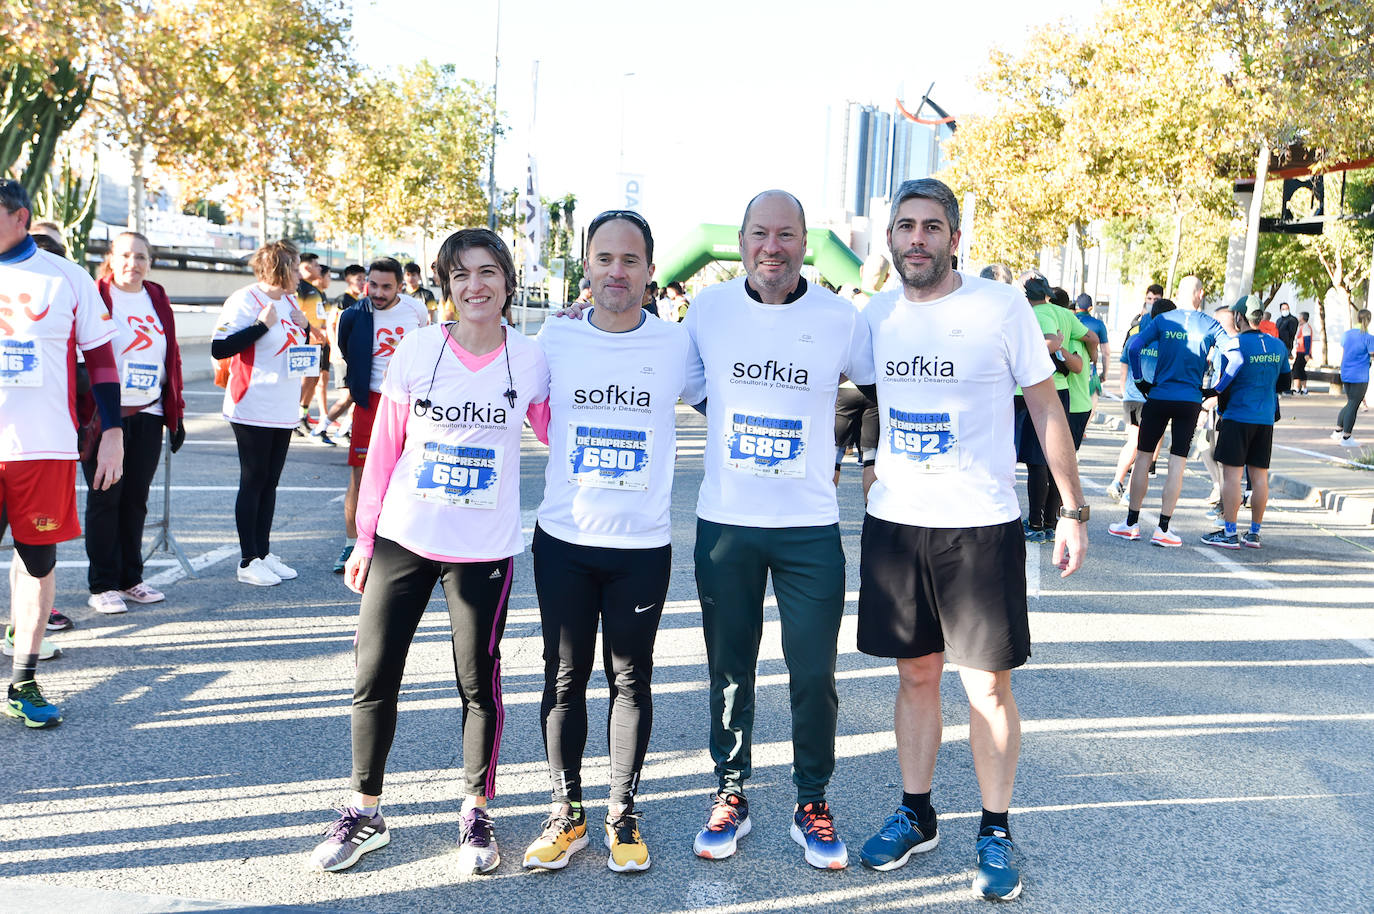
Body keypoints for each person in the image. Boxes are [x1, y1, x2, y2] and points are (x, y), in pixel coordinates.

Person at [855, 179, 1087, 903]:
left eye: (930, 227)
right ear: (889, 239)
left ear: (955, 238)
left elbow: (1045, 404)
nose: (916, 239)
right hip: (897, 525)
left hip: (979, 525)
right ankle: (916, 812)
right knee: (915, 676)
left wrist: (1074, 509)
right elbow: (856, 399)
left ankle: (994, 828)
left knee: (986, 684)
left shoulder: (998, 307)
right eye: (904, 227)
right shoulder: (875, 317)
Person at [307, 229, 549, 875]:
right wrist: (363, 538)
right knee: (374, 675)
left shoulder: (530, 359)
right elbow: (383, 450)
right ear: (445, 284)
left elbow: (557, 432)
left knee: (478, 684)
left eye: (489, 271)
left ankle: (475, 810)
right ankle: (364, 810)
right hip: (404, 540)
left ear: (507, 281)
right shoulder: (417, 350)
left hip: (483, 552)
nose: (476, 285)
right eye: (462, 273)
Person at [682, 190, 874, 870]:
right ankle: (731, 791)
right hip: (728, 523)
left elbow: (877, 390)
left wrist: (867, 461)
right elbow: (693, 383)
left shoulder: (839, 317)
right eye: (760, 233)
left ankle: (812, 800)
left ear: (804, 243)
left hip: (808, 528)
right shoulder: (707, 310)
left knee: (814, 672)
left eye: (786, 234)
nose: (773, 246)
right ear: (740, 241)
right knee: (730, 669)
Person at [522, 211, 689, 874]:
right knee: (563, 679)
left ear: (650, 271)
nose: (616, 272)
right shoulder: (554, 340)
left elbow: (738, 393)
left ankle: (622, 812)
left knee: (630, 679)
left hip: (642, 547)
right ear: (585, 265)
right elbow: (509, 406)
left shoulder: (679, 344)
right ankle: (567, 814)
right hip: (563, 539)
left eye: (630, 260)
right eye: (604, 258)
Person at [0, 178, 124, 728]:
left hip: (43, 446)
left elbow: (100, 360)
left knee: (35, 563)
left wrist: (114, 431)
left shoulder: (68, 278)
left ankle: (23, 680)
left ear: (20, 217)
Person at [81, 232, 186, 614]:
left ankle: (130, 578)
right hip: (106, 415)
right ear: (111, 257)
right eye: (125, 255)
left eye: (141, 256)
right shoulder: (94, 294)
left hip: (150, 411)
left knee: (136, 499)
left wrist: (177, 412)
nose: (133, 263)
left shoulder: (156, 297)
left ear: (150, 262)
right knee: (106, 496)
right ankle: (102, 583)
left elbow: (169, 354)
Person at [211, 239, 313, 586]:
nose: (301, 274)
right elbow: (220, 346)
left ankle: (264, 552)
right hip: (252, 404)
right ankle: (247, 559)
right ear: (281, 268)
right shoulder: (245, 300)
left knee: (270, 482)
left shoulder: (288, 299)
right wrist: (260, 326)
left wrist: (306, 326)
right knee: (252, 481)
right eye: (296, 266)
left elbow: (296, 346)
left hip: (283, 406)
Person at [1109, 275, 1226, 546]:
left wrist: (1139, 380)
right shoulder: (1209, 323)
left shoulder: (1163, 320)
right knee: (1177, 463)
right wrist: (1218, 388)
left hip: (1159, 395)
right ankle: (1163, 529)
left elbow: (1135, 346)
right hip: (1189, 400)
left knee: (1143, 458)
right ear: (1201, 294)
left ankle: (1131, 523)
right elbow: (1236, 357)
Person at [332, 258, 429, 573]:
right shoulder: (352, 315)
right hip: (370, 402)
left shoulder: (416, 310)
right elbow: (347, 349)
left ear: (400, 286)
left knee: (406, 474)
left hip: (409, 404)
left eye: (386, 286)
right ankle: (351, 545)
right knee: (360, 479)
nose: (377, 292)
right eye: (372, 284)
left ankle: (396, 544)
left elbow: (426, 347)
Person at [1201, 303, 1290, 549]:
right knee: (1259, 476)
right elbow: (1284, 383)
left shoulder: (1234, 344)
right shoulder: (1277, 345)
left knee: (1232, 475)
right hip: (1264, 419)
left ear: (1239, 317)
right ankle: (1254, 533)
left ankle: (1229, 532)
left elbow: (1224, 384)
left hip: (1237, 416)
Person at [1016, 276, 1087, 541]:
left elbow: (1048, 343)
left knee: (1038, 461)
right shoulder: (1064, 314)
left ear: (1025, 295)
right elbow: (1088, 337)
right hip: (1062, 390)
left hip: (1034, 391)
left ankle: (1036, 523)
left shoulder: (1034, 313)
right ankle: (1048, 521)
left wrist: (1053, 345)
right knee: (1053, 458)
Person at [1108, 299, 1175, 503]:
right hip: (1151, 398)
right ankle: (1129, 491)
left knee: (1133, 442)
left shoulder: (1136, 335)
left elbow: (1124, 367)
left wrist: (1124, 391)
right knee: (1143, 447)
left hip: (1132, 397)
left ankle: (1117, 481)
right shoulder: (1167, 340)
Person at [294, 253, 332, 442]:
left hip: (318, 341)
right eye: (316, 265)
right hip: (306, 341)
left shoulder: (315, 290)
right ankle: (293, 416)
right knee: (306, 378)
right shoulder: (299, 288)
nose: (319, 269)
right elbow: (296, 315)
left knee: (313, 378)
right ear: (307, 268)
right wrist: (311, 332)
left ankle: (302, 414)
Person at [1332, 309, 1374, 448]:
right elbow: (1372, 353)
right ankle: (1346, 437)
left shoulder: (1347, 334)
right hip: (1360, 375)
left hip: (1346, 372)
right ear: (1369, 320)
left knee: (1351, 402)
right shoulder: (1368, 337)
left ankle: (1338, 430)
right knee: (1353, 405)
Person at [1074, 293, 1110, 383]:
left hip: (1069, 370)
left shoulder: (1068, 320)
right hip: (1089, 372)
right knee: (1092, 395)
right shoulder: (1098, 324)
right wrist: (1104, 374)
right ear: (1090, 308)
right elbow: (1106, 352)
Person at [1292, 311, 1313, 395]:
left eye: (1299, 316)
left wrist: (1307, 353)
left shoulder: (1306, 327)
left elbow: (1307, 340)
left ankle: (1299, 388)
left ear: (1302, 318)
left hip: (1303, 352)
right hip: (1300, 351)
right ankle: (1301, 388)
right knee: (1299, 370)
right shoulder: (1301, 327)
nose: (1298, 318)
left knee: (1297, 369)